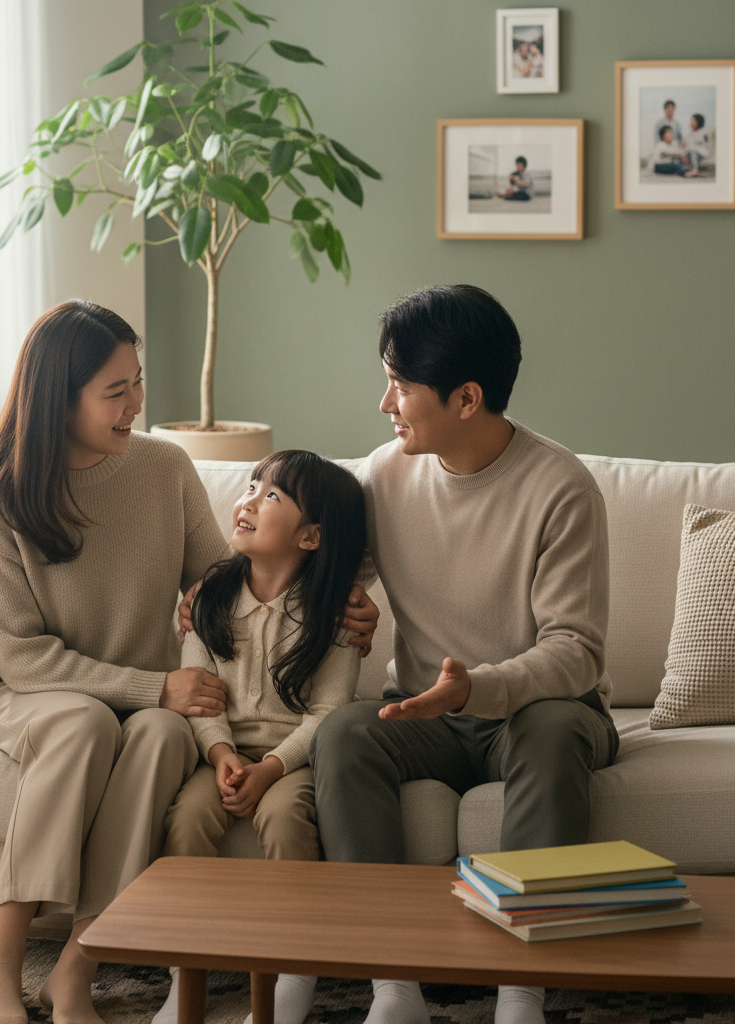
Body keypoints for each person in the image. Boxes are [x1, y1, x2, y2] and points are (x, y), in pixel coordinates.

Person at [0, 300, 380, 1024]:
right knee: (87, 725)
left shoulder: (163, 466)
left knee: (156, 732)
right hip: (31, 692)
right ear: (59, 399)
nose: (137, 404)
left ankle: (77, 968)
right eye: (114, 391)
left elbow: (232, 575)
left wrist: (348, 597)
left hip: (145, 700)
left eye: (138, 382)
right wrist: (156, 684)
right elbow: (23, 657)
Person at [310, 285, 620, 1024]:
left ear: (467, 398)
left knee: (551, 729)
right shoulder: (380, 477)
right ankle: (394, 988)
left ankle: (520, 991)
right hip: (428, 714)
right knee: (346, 734)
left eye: (401, 384)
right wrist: (239, 597)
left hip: (540, 714)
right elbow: (321, 589)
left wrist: (473, 688)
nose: (386, 404)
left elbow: (575, 652)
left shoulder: (561, 488)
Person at [156, 451, 367, 1024]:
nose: (248, 499)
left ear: (312, 536)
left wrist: (271, 768)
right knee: (189, 815)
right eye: (252, 485)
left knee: (285, 817)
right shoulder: (208, 599)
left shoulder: (336, 614)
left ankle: (292, 970)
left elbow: (328, 713)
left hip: (293, 759)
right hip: (218, 749)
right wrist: (221, 754)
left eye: (271, 496)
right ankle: (186, 971)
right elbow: (198, 695)